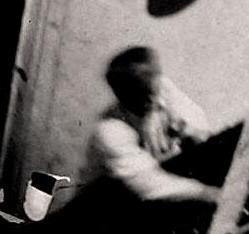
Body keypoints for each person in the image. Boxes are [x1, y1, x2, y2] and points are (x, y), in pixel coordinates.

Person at [75, 46, 214, 224]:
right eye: (149, 93)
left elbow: (201, 132)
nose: (159, 85)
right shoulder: (109, 131)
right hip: (101, 209)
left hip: (149, 189)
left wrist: (187, 130)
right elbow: (150, 185)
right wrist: (208, 193)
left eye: (156, 76)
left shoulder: (159, 86)